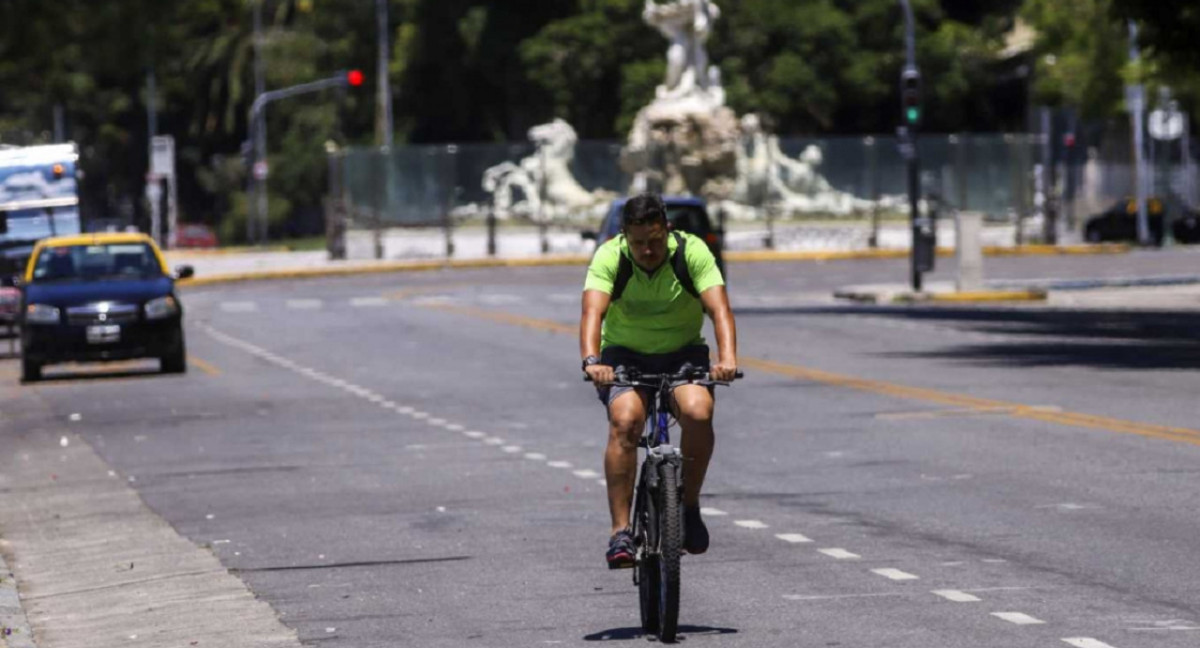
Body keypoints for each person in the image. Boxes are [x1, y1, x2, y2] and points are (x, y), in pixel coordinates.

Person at [579, 193, 738, 569]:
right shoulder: (609, 256)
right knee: (626, 420)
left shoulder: (692, 251)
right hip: (624, 354)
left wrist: (727, 359)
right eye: (638, 243)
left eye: (653, 241)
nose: (647, 250)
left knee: (699, 412)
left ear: (666, 229)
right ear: (625, 237)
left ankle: (688, 506)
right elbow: (591, 312)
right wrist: (592, 362)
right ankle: (620, 531)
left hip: (683, 352)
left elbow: (719, 309)